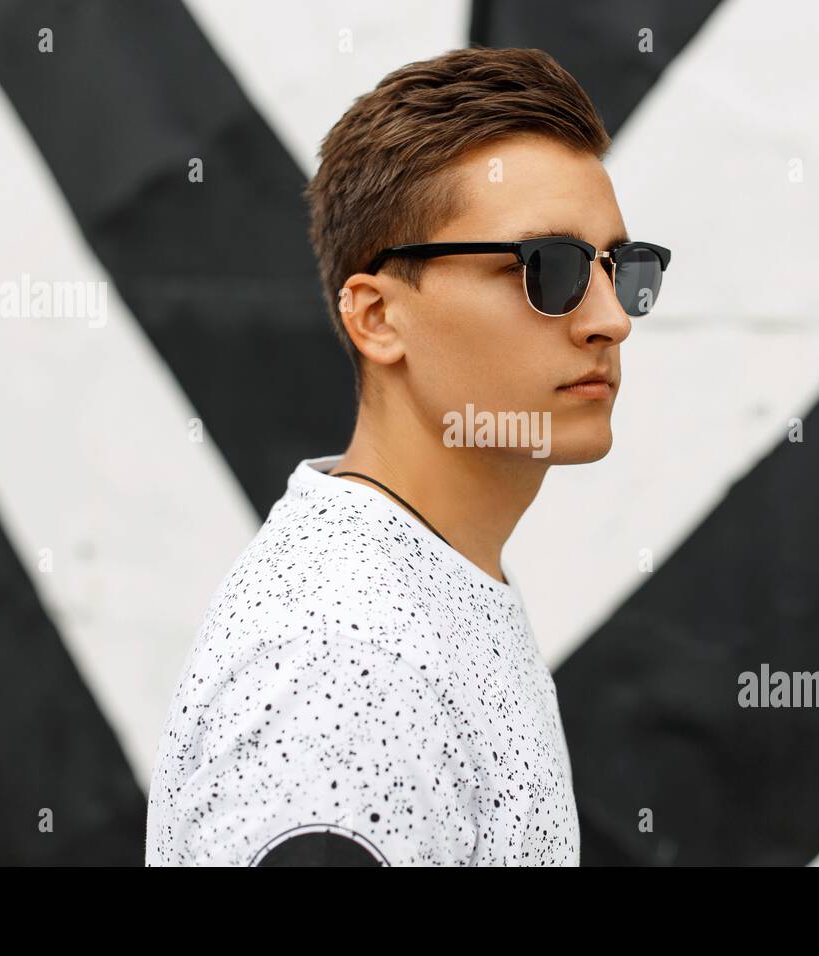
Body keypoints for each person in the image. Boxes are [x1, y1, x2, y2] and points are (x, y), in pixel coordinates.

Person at [145, 45, 670, 866]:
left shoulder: (424, 581)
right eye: (549, 268)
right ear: (378, 317)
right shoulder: (341, 660)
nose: (612, 318)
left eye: (621, 268)